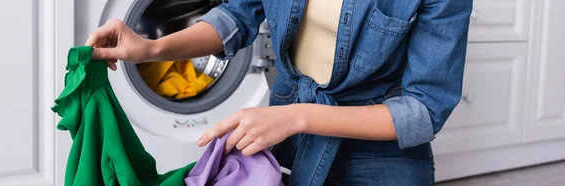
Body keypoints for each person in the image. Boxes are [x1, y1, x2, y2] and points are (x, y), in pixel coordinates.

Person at [85, 0, 473, 185]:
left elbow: (424, 110)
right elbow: (236, 15)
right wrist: (153, 49)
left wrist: (296, 117)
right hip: (289, 137)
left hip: (377, 149)